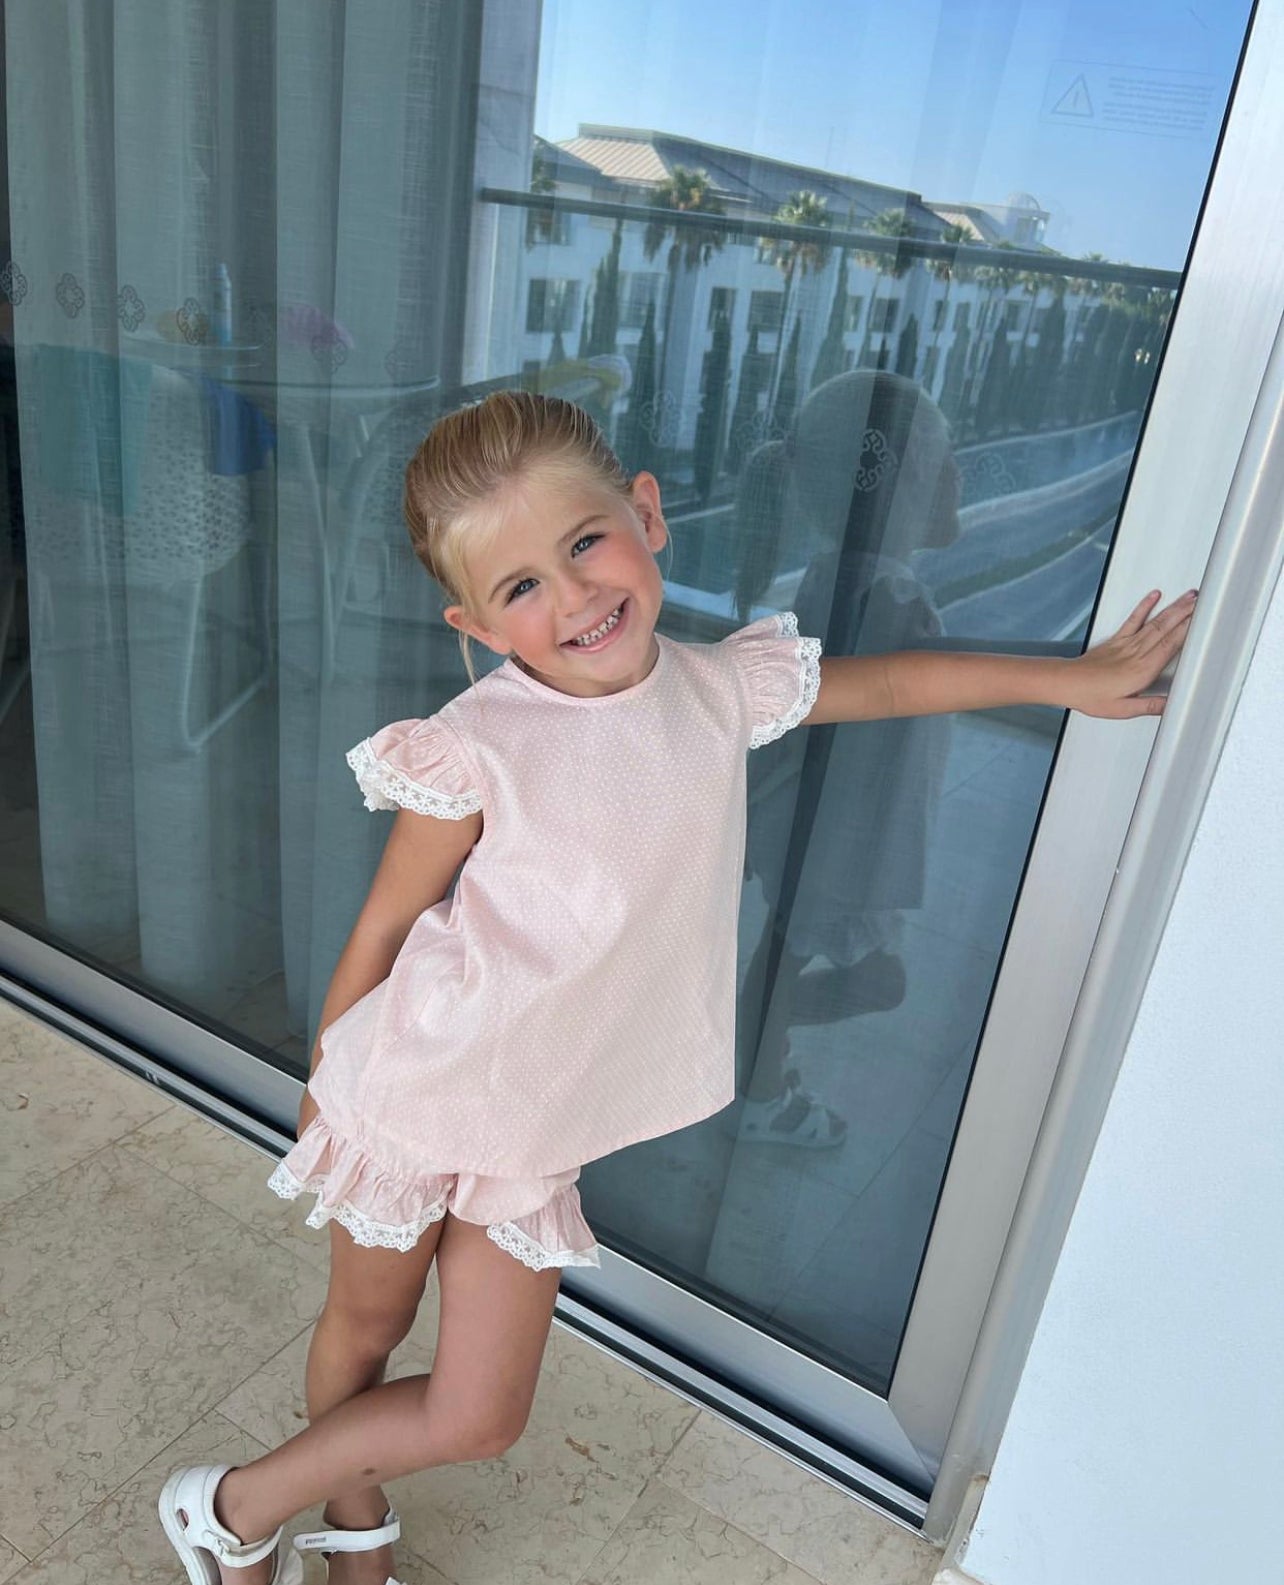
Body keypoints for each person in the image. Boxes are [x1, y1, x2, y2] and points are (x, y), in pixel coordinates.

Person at [157, 390, 1195, 1585]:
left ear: (647, 514)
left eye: (585, 542)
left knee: (481, 1412)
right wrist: (328, 1079)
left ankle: (230, 1504)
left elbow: (894, 685)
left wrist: (1070, 680)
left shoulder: (718, 689)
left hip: (535, 1124)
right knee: (367, 1329)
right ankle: (352, 1529)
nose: (574, 597)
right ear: (476, 624)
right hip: (417, 1087)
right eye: (521, 586)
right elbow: (390, 921)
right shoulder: (477, 741)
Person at [732, 369, 961, 1146]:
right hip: (841, 841)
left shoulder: (831, 576)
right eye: (943, 461)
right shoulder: (896, 603)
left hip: (813, 825)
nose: (959, 476)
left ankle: (755, 1061)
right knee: (870, 978)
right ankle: (752, 1061)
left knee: (786, 953)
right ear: (903, 488)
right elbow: (883, 738)